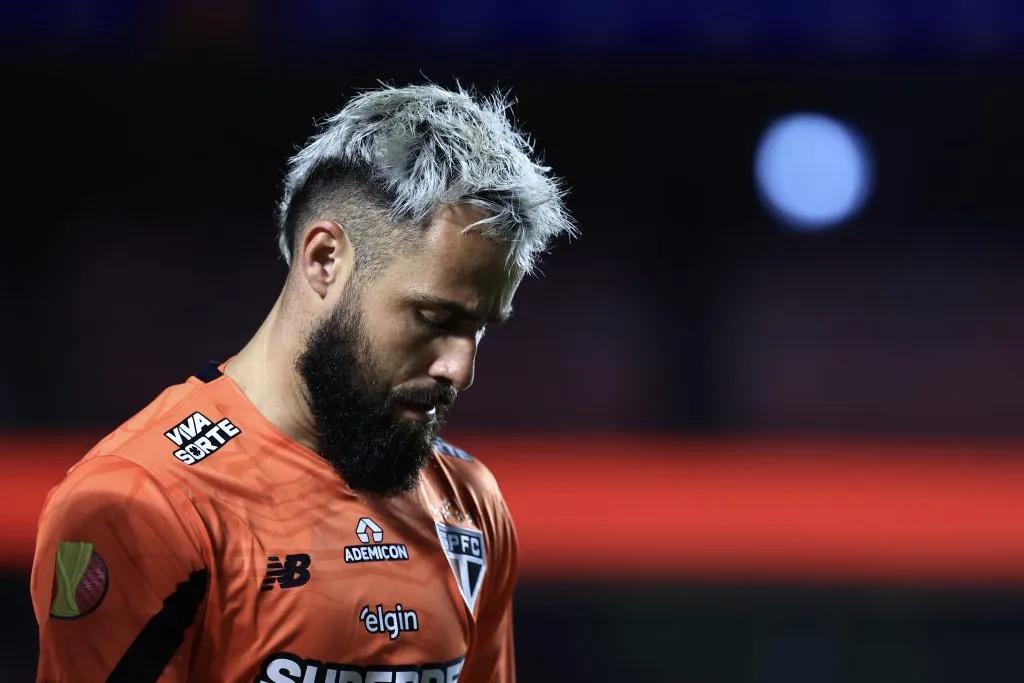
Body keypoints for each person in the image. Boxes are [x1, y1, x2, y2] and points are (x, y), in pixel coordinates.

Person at [31, 83, 575, 683]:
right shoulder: (139, 507)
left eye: (479, 329)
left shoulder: (470, 507)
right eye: (435, 319)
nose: (461, 370)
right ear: (324, 260)